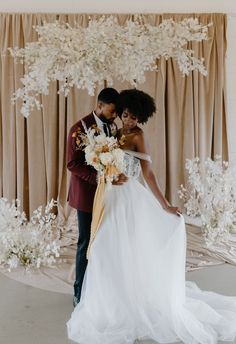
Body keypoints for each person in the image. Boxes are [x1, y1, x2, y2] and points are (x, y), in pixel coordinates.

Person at [67, 89, 236, 344]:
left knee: (123, 245)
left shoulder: (137, 136)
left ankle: (124, 296)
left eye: (134, 117)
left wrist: (165, 205)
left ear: (140, 119)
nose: (128, 120)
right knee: (101, 245)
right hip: (109, 196)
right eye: (125, 115)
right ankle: (94, 294)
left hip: (127, 196)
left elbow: (148, 174)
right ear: (118, 112)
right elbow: (85, 162)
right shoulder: (109, 129)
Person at [67, 87, 127, 307]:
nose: (115, 117)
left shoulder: (112, 126)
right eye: (111, 111)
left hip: (108, 194)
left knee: (105, 241)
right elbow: (72, 164)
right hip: (86, 195)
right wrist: (101, 178)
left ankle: (101, 288)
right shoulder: (78, 130)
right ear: (99, 105)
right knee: (86, 242)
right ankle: (79, 292)